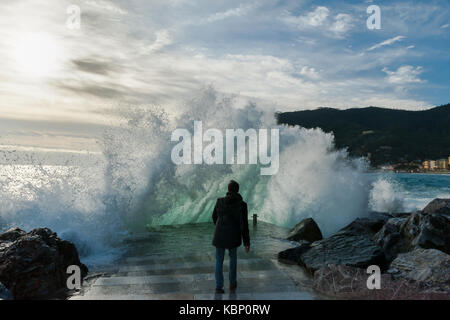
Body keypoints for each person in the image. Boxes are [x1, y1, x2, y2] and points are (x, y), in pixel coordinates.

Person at [212, 180, 250, 294]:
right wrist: (247, 242)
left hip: (219, 235)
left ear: (228, 190)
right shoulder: (242, 205)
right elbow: (244, 225)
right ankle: (232, 284)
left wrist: (219, 228)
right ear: (237, 190)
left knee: (219, 260)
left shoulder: (220, 201)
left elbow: (214, 216)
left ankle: (219, 286)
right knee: (233, 259)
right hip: (233, 236)